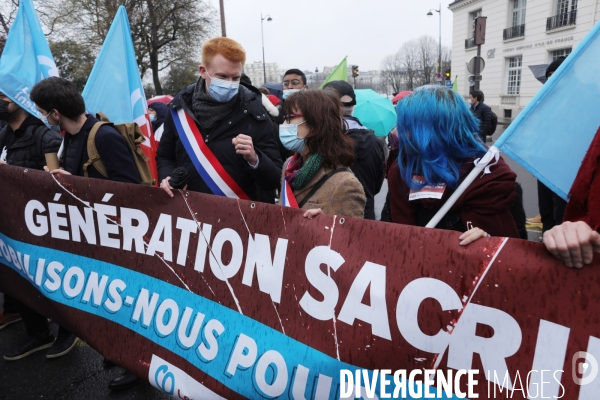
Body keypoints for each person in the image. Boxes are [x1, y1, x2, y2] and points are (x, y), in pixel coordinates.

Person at [30, 77, 142, 391]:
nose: (42, 118)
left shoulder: (103, 136)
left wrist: (76, 183)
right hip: (94, 234)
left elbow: (130, 190)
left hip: (118, 236)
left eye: (42, 112)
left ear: (54, 113)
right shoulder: (70, 137)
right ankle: (120, 352)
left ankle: (138, 365)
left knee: (127, 300)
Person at [156, 37, 282, 201]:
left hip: (239, 217)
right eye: (222, 77)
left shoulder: (255, 111)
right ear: (203, 71)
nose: (230, 84)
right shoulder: (179, 108)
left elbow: (274, 179)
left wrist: (255, 158)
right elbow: (165, 156)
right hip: (189, 213)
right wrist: (167, 177)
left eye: (236, 78)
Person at [387, 87, 520, 243]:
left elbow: (516, 255)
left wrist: (488, 242)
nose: (398, 132)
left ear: (433, 132)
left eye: (406, 126)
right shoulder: (401, 172)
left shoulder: (493, 183)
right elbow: (389, 242)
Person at [0, 91, 63, 361]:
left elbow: (56, 187)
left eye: (2, 95)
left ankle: (61, 331)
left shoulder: (44, 137)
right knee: (16, 280)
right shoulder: (5, 134)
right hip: (11, 226)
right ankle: (37, 331)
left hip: (38, 229)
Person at [280, 89, 365, 218]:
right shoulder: (289, 166)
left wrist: (326, 224)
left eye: (289, 118)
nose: (283, 124)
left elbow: (351, 236)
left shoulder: (346, 185)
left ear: (315, 124)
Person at [322, 80, 385, 220]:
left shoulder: (322, 141)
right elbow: (376, 186)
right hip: (364, 217)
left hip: (329, 220)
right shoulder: (375, 141)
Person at [536, 57, 568, 233]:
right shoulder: (545, 99)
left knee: (560, 211)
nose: (552, 78)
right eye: (549, 75)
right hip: (544, 164)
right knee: (545, 208)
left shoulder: (577, 99)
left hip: (564, 166)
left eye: (556, 73)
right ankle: (546, 239)